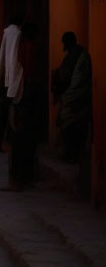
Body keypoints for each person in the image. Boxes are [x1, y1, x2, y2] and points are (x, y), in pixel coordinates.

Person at [53, 32, 92, 195]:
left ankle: (72, 154)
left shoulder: (78, 56)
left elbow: (72, 78)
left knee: (70, 125)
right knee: (70, 125)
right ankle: (71, 153)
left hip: (76, 98)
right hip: (73, 97)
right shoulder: (74, 55)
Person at [5, 23, 40, 191]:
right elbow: (29, 71)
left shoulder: (19, 49)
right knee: (25, 140)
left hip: (18, 97)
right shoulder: (30, 49)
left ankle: (17, 175)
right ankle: (23, 176)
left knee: (18, 139)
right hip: (26, 98)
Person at [0, 16, 23, 153]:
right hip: (14, 81)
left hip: (6, 79)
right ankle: (10, 142)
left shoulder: (7, 33)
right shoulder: (18, 34)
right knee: (12, 112)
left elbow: (2, 56)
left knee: (2, 113)